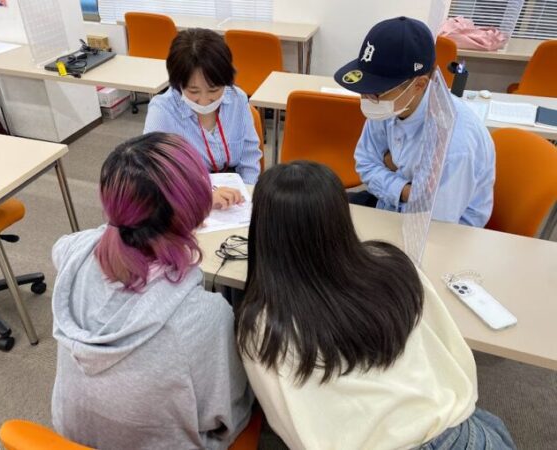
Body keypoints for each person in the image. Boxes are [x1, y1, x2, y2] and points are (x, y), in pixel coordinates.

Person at [236, 161, 515, 449]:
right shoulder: (395, 266)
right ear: (341, 216)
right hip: (469, 434)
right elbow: (450, 353)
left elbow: (290, 426)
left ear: (263, 229)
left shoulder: (264, 325)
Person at [51, 132, 252, 449]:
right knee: (254, 393)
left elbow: (75, 242)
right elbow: (222, 413)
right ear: (194, 210)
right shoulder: (203, 316)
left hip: (71, 436)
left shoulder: (72, 252)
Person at [334, 17, 495, 227]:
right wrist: (405, 189)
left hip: (441, 232)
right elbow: (365, 163)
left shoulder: (455, 144)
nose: (366, 98)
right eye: (364, 88)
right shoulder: (392, 103)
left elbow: (432, 221)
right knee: (321, 215)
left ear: (419, 85)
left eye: (376, 91)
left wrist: (390, 165)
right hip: (390, 207)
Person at [144, 28, 262, 187]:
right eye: (194, 91)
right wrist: (208, 195)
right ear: (178, 84)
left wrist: (246, 191)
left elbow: (250, 157)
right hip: (188, 191)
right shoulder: (162, 111)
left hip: (235, 188)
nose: (204, 101)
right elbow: (155, 172)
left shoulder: (237, 99)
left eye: (213, 90)